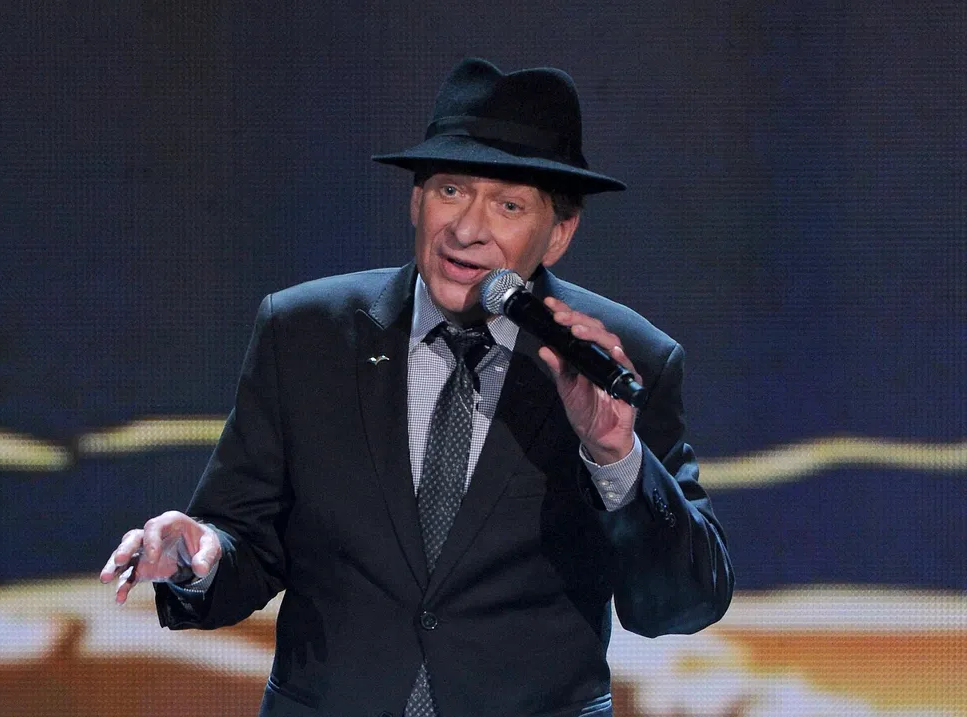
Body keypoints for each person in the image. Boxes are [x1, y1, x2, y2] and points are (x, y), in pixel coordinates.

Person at [100, 57, 733, 717]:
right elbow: (247, 542)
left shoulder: (621, 361)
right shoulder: (305, 332)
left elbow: (680, 604)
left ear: (559, 234)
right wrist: (197, 558)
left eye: (509, 205)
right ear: (415, 199)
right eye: (451, 190)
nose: (467, 229)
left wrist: (615, 457)